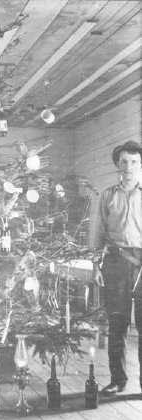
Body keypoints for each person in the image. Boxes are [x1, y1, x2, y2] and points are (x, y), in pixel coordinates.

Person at [93, 140, 142, 395]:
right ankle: (118, 380)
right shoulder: (108, 196)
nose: (129, 167)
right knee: (117, 324)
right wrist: (95, 265)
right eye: (124, 162)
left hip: (141, 264)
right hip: (114, 263)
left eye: (134, 162)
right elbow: (99, 232)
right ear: (117, 165)